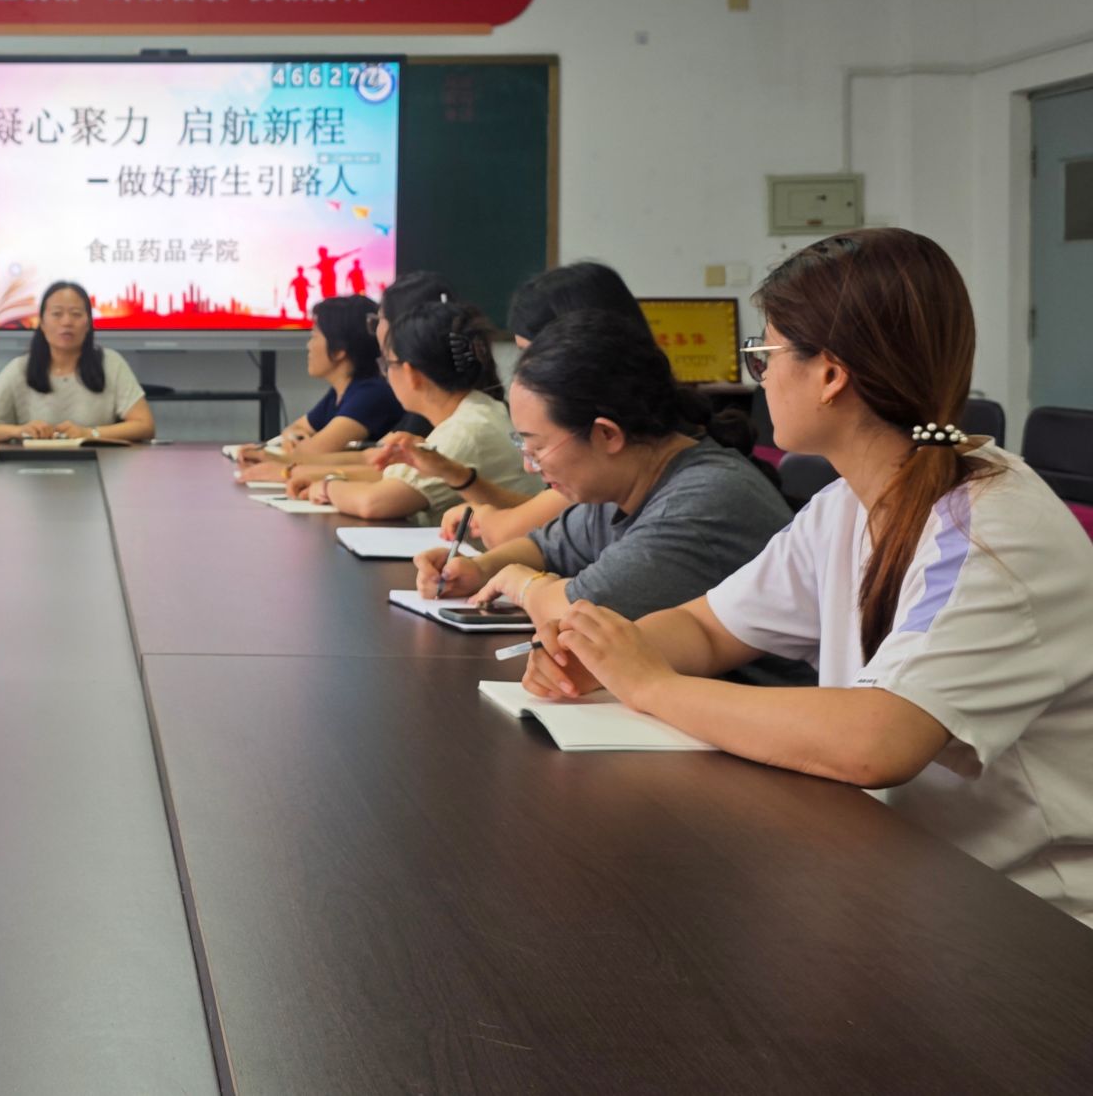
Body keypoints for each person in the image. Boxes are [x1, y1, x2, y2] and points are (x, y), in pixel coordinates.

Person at [514, 229, 1093, 926]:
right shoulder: (847, 504)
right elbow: (708, 627)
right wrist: (604, 656)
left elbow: (877, 742)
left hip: (1030, 924)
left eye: (764, 355)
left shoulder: (989, 528)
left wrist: (650, 684)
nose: (759, 377)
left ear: (830, 375)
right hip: (896, 879)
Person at [412, 311, 791, 643]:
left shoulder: (700, 503)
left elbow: (575, 611)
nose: (530, 466)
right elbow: (546, 547)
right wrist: (479, 569)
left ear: (606, 435)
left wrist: (523, 584)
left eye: (538, 447)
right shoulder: (624, 482)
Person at [434, 260, 652, 549]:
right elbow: (542, 516)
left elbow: (513, 532)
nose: (525, 370)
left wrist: (487, 519)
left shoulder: (604, 448)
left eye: (531, 354)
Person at [296, 302, 540, 524]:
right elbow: (391, 479)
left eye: (387, 365)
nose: (385, 375)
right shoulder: (477, 409)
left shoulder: (465, 431)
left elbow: (374, 503)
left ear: (411, 373)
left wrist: (327, 487)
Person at [0, 281, 155, 443]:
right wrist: (18, 431)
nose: (67, 322)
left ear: (88, 323)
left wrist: (89, 433)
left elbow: (145, 425)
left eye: (76, 314)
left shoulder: (111, 363)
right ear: (42, 322)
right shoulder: (20, 368)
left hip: (101, 465)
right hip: (32, 468)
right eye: (57, 314)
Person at [237, 295, 402, 481]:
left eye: (314, 336)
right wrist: (293, 436)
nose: (309, 345)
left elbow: (310, 454)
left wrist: (274, 454)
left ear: (339, 350)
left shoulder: (372, 394)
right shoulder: (342, 391)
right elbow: (296, 428)